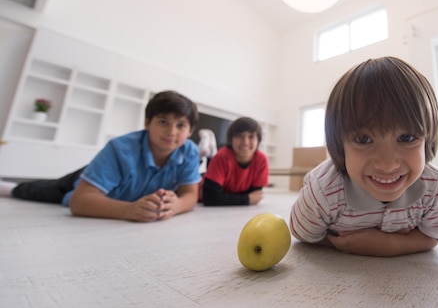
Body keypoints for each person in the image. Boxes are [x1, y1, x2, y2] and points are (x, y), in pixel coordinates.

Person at [290, 56, 438, 257]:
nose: (387, 165)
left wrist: (392, 245)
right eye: (363, 139)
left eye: (406, 137)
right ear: (339, 144)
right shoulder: (322, 190)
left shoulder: (433, 186)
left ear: (428, 139)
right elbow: (304, 234)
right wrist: (343, 244)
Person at [0, 90, 201, 222]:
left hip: (119, 186)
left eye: (181, 125)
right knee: (40, 190)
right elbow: (79, 202)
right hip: (92, 187)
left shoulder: (190, 151)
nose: (172, 132)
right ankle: (9, 187)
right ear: (147, 122)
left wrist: (176, 206)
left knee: (47, 186)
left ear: (190, 130)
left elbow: (190, 194)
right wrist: (129, 210)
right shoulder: (120, 149)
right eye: (163, 122)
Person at [200, 116, 268, 206]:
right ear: (231, 139)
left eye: (251, 136)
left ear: (258, 140)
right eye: (240, 136)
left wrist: (243, 198)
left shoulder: (261, 160)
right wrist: (246, 199)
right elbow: (210, 197)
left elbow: (255, 195)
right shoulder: (221, 156)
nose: (245, 142)